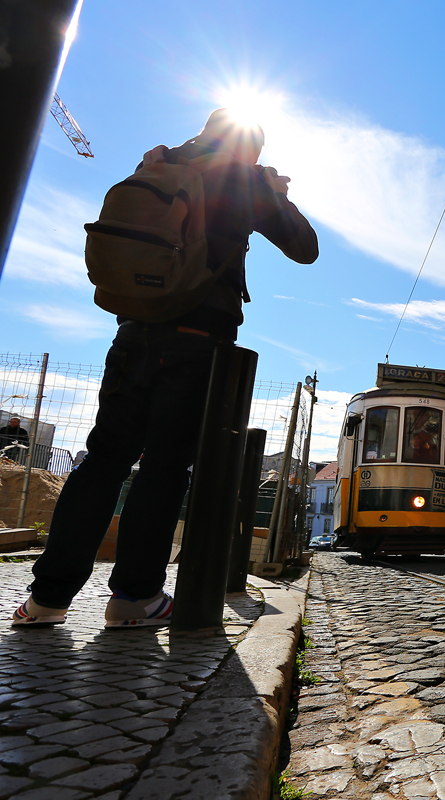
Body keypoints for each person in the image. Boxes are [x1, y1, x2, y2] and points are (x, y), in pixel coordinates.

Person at [13, 109, 318, 628]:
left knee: (103, 461)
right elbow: (305, 248)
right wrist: (274, 193)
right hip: (198, 339)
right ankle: (134, 598)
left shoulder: (159, 162)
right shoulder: (245, 179)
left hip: (132, 332)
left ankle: (46, 600)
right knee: (164, 468)